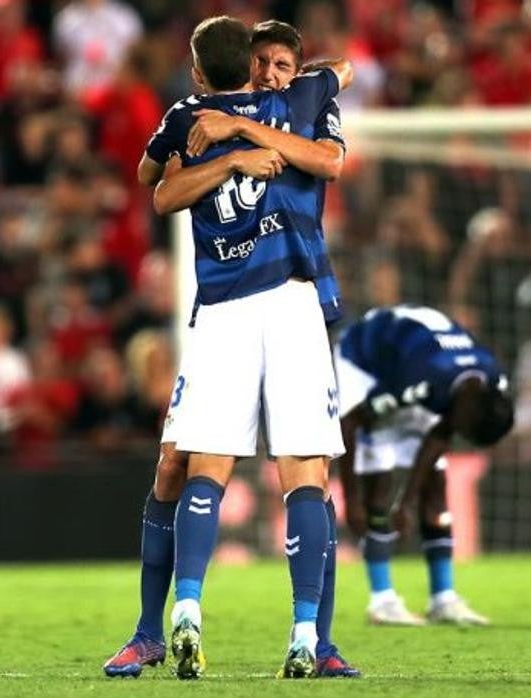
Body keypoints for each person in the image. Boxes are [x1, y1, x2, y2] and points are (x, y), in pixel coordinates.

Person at [103, 17, 357, 679]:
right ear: (247, 64)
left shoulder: (281, 103)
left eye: (282, 65)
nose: (272, 73)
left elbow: (329, 152)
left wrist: (238, 131)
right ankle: (192, 626)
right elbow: (160, 189)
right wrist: (233, 152)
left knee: (250, 468)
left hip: (266, 302)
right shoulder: (233, 111)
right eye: (263, 62)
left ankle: (293, 634)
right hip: (245, 306)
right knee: (210, 465)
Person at [335, 305, 514, 626]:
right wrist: (351, 500)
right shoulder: (418, 381)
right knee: (379, 480)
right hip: (363, 359)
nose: (460, 438)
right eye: (465, 432)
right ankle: (382, 601)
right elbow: (350, 424)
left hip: (414, 355)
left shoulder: (492, 382)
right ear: (464, 410)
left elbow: (442, 432)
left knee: (436, 483)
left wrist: (407, 502)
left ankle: (443, 598)